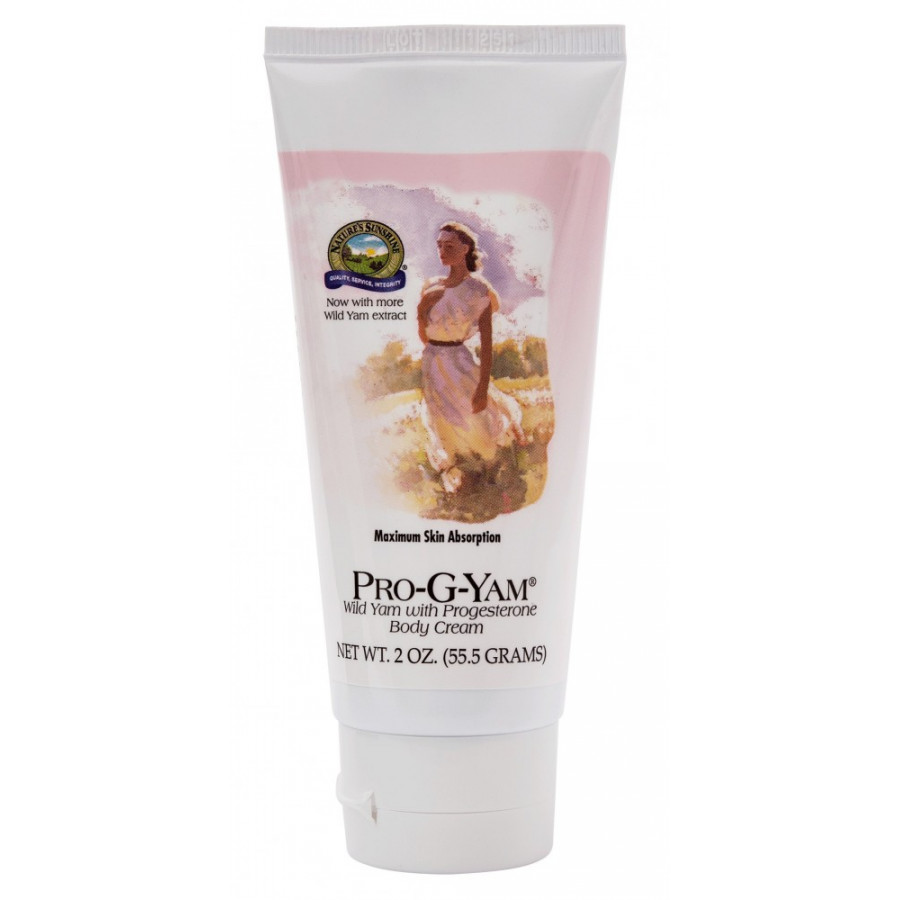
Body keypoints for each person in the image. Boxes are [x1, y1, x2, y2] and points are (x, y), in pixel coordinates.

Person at [417, 222, 524, 494]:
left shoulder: (478, 290)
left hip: (458, 361)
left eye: (449, 246)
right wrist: (422, 309)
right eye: (439, 246)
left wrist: (482, 388)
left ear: (465, 249)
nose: (442, 251)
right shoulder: (431, 287)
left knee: (475, 419)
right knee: (442, 421)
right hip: (432, 362)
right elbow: (426, 337)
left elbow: (487, 345)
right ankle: (461, 480)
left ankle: (490, 476)